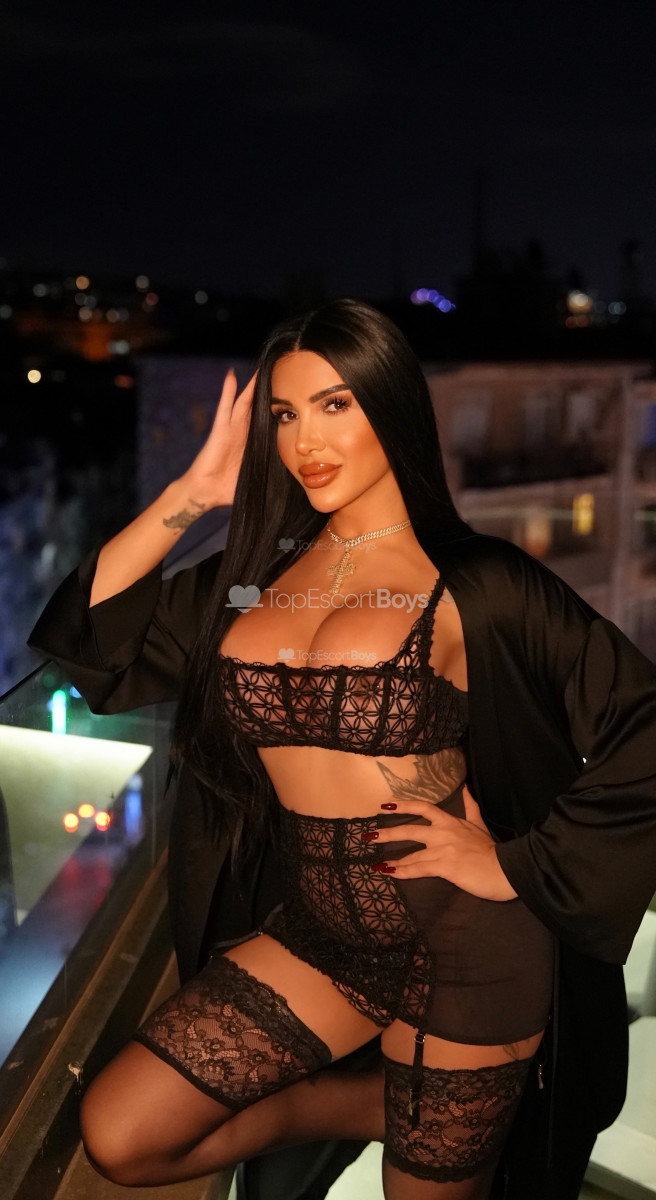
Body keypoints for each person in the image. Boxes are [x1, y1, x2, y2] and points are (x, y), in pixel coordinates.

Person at [27, 298, 656, 1200]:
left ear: (390, 406)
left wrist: (514, 863)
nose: (305, 441)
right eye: (285, 415)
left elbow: (642, 725)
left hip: (470, 944)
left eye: (335, 405)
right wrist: (193, 494)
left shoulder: (479, 582)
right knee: (123, 1135)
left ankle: (441, 1116)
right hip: (322, 935)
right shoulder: (255, 580)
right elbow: (93, 640)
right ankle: (384, 1107)